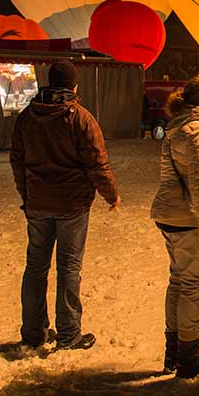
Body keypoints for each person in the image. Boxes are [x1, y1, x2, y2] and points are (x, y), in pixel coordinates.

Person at [10, 60, 120, 351]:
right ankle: (69, 333)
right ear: (73, 86)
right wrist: (111, 194)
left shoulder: (27, 117)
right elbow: (97, 162)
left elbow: (17, 162)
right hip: (72, 204)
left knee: (35, 267)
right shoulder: (80, 118)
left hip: (37, 202)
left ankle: (33, 334)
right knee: (69, 267)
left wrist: (28, 194)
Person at [150, 73, 199, 379]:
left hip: (170, 215)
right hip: (188, 220)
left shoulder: (179, 127)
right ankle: (188, 355)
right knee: (193, 285)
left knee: (179, 282)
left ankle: (174, 349)